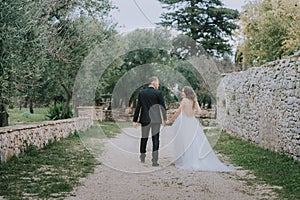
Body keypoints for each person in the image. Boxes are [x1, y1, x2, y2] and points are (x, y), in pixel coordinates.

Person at [166, 86, 234, 172]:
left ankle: (187, 160)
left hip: (184, 123)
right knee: (195, 142)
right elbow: (199, 111)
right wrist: (192, 112)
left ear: (186, 93)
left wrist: (170, 120)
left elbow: (177, 113)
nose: (181, 93)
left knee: (185, 141)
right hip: (193, 122)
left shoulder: (184, 101)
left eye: (183, 92)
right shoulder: (194, 101)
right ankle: (195, 159)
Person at [133, 76, 167, 166]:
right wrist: (164, 119)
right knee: (155, 139)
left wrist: (135, 120)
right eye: (158, 83)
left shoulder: (142, 93)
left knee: (144, 138)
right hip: (156, 120)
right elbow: (163, 107)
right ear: (153, 82)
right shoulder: (158, 93)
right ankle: (154, 161)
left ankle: (142, 157)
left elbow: (138, 107)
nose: (158, 85)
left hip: (145, 119)